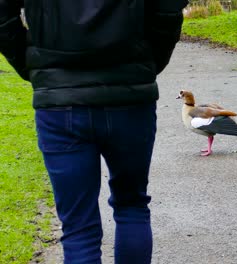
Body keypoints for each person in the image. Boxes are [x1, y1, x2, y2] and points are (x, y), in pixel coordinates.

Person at [0, 0, 188, 263]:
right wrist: (145, 65)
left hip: (60, 106)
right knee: (132, 205)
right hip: (130, 100)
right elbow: (167, 9)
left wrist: (38, 69)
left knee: (78, 228)